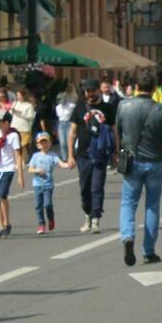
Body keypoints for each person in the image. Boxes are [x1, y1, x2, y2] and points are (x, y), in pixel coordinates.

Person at [116, 75, 162, 266]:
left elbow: (118, 131)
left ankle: (127, 237)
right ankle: (148, 251)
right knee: (152, 205)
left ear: (136, 87)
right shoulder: (161, 109)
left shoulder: (124, 106)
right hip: (154, 162)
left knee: (128, 203)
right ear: (153, 89)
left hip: (131, 161)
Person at [67, 80, 113, 233]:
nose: (89, 94)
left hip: (100, 154)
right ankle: (87, 214)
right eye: (87, 91)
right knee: (84, 188)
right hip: (83, 154)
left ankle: (95, 220)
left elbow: (115, 131)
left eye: (92, 90)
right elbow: (72, 132)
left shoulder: (107, 108)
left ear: (98, 90)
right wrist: (70, 156)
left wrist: (116, 153)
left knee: (97, 187)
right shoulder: (80, 107)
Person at [28, 131, 61, 233]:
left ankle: (51, 218)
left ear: (50, 143)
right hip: (37, 184)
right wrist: (37, 170)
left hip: (48, 185)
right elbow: (30, 169)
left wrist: (68, 164)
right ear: (38, 145)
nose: (44, 145)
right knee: (38, 206)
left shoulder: (52, 155)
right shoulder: (35, 156)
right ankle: (41, 224)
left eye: (46, 142)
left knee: (47, 204)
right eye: (41, 143)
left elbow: (60, 163)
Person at [11, 88, 38, 180]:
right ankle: (16, 162)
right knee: (15, 146)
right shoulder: (15, 103)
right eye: (17, 95)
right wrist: (12, 111)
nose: (18, 97)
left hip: (24, 127)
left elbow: (31, 116)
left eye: (19, 95)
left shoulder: (29, 106)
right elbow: (11, 113)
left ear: (23, 96)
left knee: (23, 145)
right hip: (15, 126)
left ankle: (23, 161)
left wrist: (20, 113)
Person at [54, 83, 77, 158]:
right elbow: (59, 116)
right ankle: (64, 157)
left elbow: (74, 114)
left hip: (69, 123)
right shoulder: (58, 107)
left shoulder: (71, 106)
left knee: (69, 141)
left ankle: (71, 156)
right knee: (62, 142)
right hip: (61, 124)